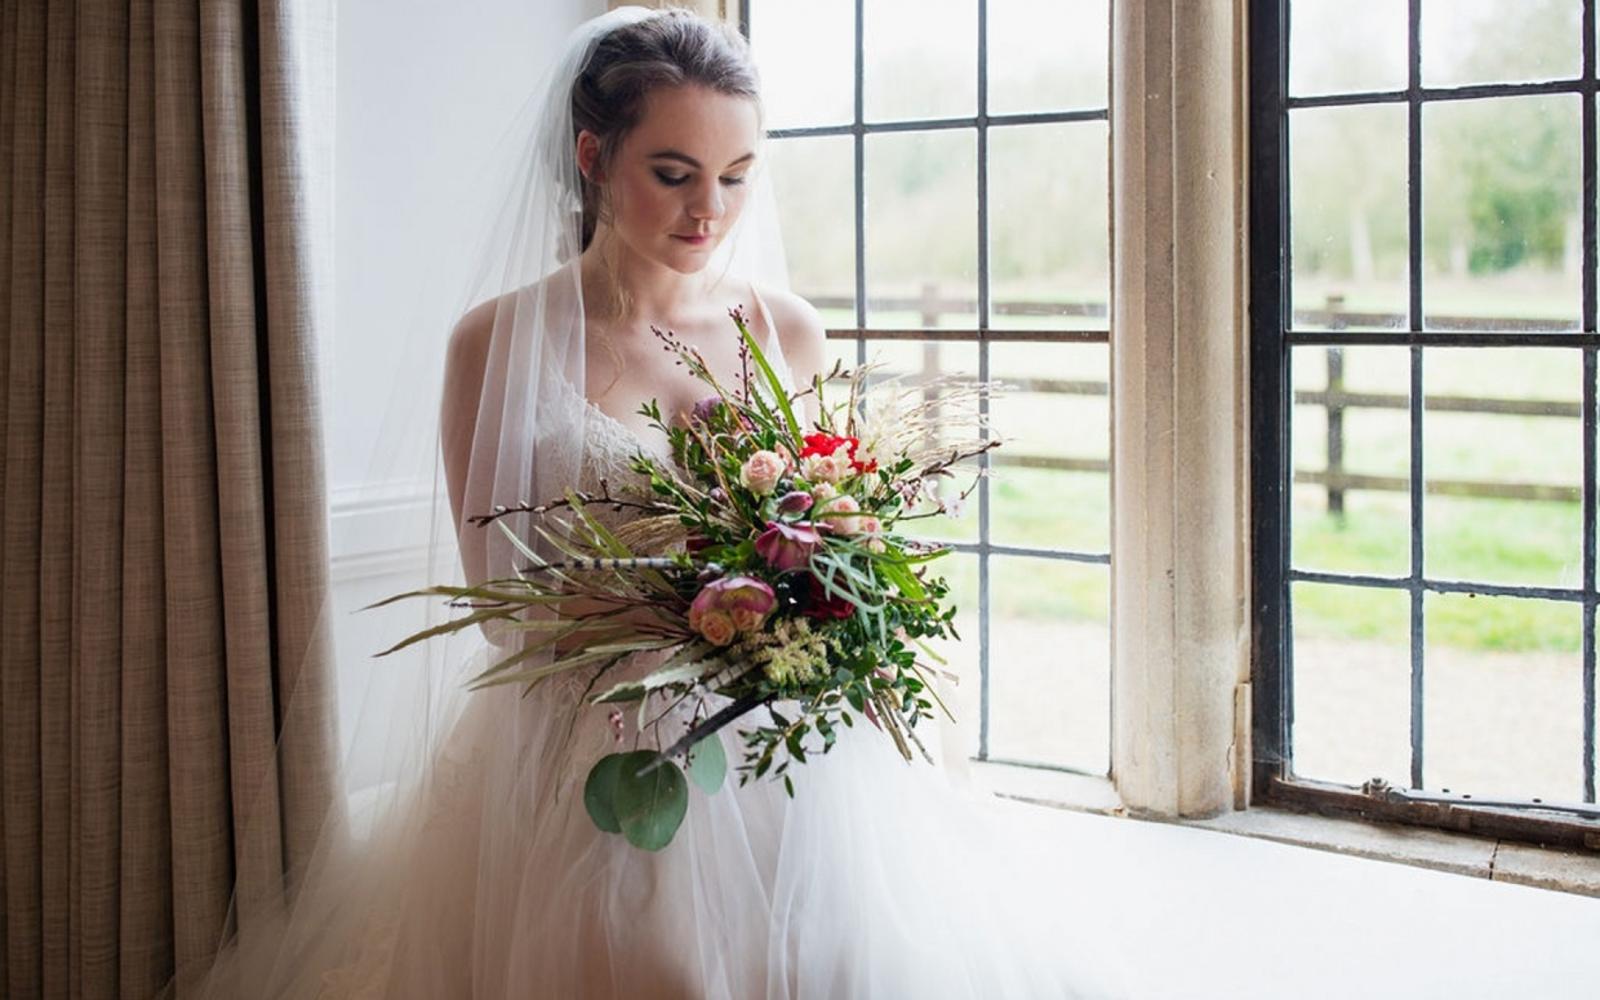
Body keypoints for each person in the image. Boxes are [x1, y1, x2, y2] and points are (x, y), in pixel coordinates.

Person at [173, 8, 1133, 997]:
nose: (708, 211)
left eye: (735, 176)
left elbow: (822, 525)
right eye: (673, 174)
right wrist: (688, 611)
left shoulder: (782, 328)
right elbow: (501, 601)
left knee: (822, 957)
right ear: (593, 155)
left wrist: (801, 603)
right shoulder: (497, 343)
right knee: (652, 967)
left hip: (782, 718)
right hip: (593, 726)